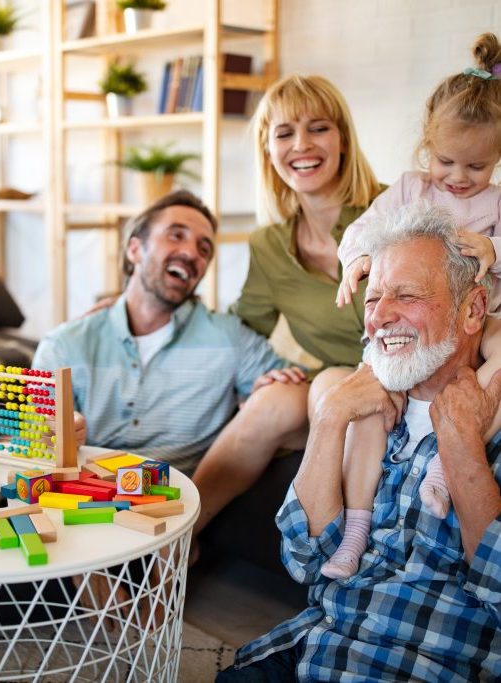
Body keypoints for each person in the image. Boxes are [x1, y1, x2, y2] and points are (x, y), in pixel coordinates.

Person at [218, 202, 501, 681]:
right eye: (372, 300)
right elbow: (304, 560)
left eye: (407, 295)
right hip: (314, 647)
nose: (381, 317)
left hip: (426, 666)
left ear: (474, 309)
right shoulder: (366, 411)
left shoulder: (491, 418)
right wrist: (330, 417)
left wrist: (461, 447)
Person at [324, 32, 501, 579]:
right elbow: (360, 231)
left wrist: (494, 253)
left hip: (477, 321)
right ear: (427, 148)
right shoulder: (408, 190)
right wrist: (358, 261)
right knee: (370, 408)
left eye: (476, 167)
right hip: (409, 330)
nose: (458, 177)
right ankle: (354, 531)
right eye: (447, 161)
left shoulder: (497, 204)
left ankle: (448, 469)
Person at [190, 73, 382, 537]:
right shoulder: (269, 246)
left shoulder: (394, 208)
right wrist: (135, 304)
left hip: (404, 374)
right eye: (284, 133)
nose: (302, 145)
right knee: (270, 401)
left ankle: (335, 552)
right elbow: (241, 326)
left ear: (342, 139)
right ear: (268, 150)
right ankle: (176, 542)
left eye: (318, 128)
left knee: (331, 395)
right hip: (334, 379)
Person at [32, 189, 287, 475]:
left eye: (204, 249)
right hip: (80, 506)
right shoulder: (64, 345)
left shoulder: (231, 340)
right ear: (135, 250)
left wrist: (266, 396)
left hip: (184, 510)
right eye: (176, 235)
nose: (192, 252)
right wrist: (56, 430)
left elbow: (295, 400)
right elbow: (34, 436)